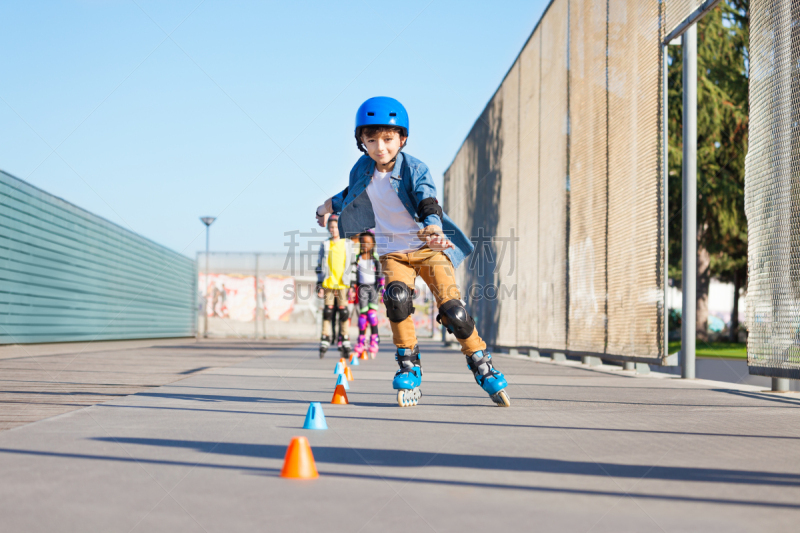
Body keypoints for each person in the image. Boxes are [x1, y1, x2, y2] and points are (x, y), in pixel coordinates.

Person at [315, 97, 510, 407]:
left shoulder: (415, 168)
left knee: (454, 311)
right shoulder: (362, 168)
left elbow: (427, 200)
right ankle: (409, 363)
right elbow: (350, 193)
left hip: (427, 248)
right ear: (362, 141)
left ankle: (480, 362)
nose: (380, 147)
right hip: (393, 253)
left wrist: (432, 227)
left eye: (388, 139)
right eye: (372, 140)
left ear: (401, 138)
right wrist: (327, 206)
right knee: (397, 299)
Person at [315, 214, 355, 358]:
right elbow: (319, 265)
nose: (333, 229)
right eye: (331, 227)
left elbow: (352, 265)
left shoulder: (348, 244)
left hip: (343, 284)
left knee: (344, 313)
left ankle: (344, 337)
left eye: (336, 227)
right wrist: (319, 284)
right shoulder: (325, 244)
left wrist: (352, 285)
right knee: (328, 312)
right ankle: (325, 336)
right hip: (328, 284)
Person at [353, 231, 384, 359]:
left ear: (373, 244)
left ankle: (374, 341)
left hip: (373, 288)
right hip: (362, 289)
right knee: (362, 317)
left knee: (372, 315)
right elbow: (353, 275)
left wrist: (382, 289)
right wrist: (351, 288)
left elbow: (381, 274)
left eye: (368, 243)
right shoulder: (357, 258)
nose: (365, 245)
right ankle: (361, 342)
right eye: (363, 242)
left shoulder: (375, 258)